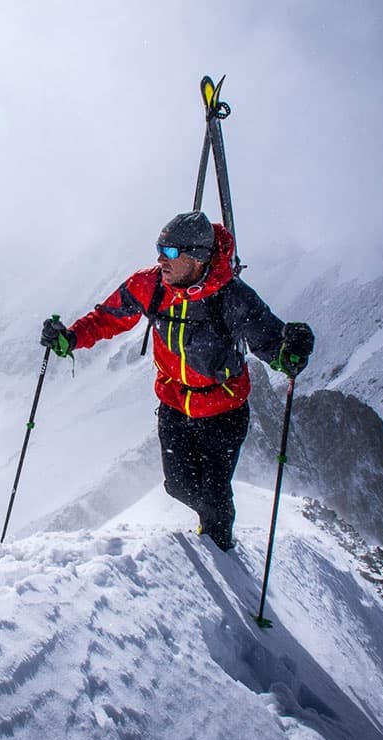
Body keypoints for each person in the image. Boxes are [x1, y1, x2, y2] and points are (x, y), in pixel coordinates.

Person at [40, 211, 314, 551]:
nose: (160, 259)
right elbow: (108, 318)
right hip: (174, 404)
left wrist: (291, 353)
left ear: (197, 258)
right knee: (178, 486)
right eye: (159, 249)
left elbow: (271, 345)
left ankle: (221, 549)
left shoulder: (232, 298)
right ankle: (213, 524)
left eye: (170, 252)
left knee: (214, 498)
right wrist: (69, 338)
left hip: (223, 411)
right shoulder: (150, 284)